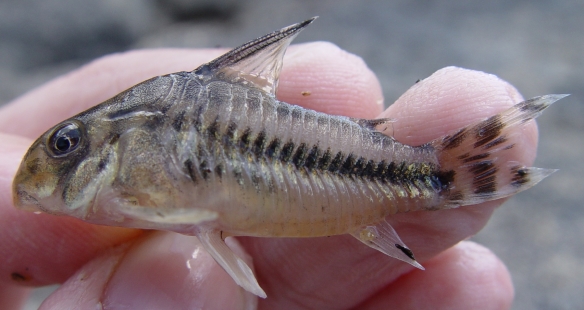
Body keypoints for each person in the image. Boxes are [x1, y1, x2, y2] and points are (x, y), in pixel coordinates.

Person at [0, 42, 527, 309]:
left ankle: (440, 177)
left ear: (132, 136)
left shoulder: (157, 132)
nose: (56, 159)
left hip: (344, 169)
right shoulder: (153, 150)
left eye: (66, 145)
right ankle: (443, 177)